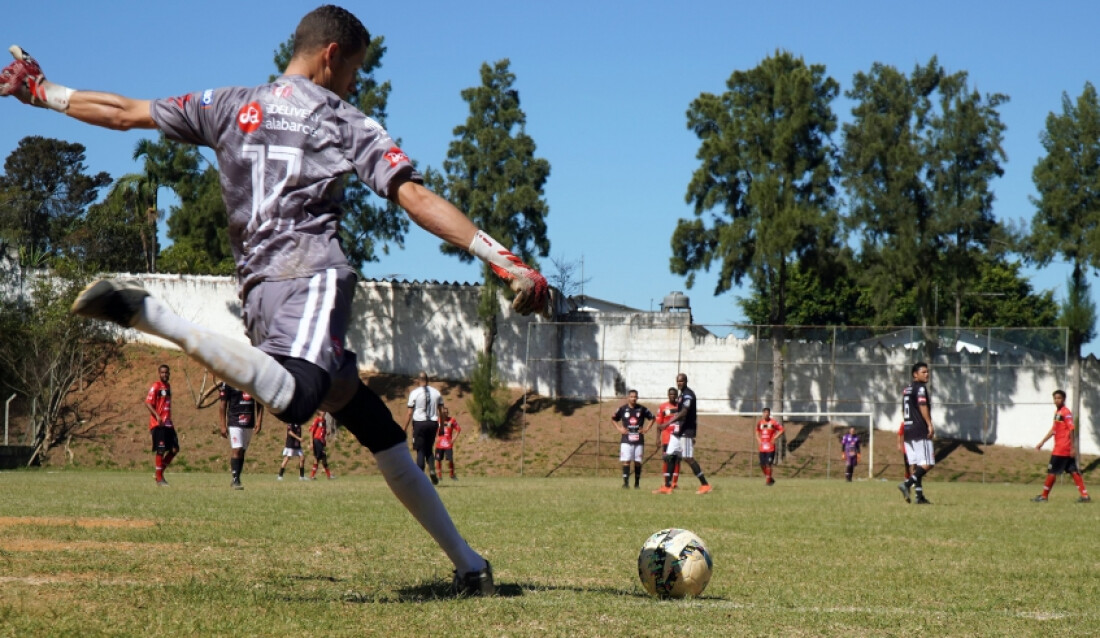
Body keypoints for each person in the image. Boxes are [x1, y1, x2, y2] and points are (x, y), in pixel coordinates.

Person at [3, 5, 556, 595]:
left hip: (260, 292)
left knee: (373, 424)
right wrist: (501, 257)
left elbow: (123, 113)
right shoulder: (345, 121)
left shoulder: (226, 104)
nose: (354, 84)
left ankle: (470, 565)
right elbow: (413, 198)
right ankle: (153, 315)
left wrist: (43, 92)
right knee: (297, 401)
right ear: (331, 56)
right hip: (312, 277)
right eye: (355, 71)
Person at [655, 373, 712, 495]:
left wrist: (667, 423)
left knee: (688, 458)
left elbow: (684, 412)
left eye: (681, 381)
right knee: (669, 455)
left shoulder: (688, 395)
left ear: (686, 381)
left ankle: (705, 484)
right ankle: (667, 486)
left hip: (686, 431)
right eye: (678, 381)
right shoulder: (681, 396)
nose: (679, 383)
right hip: (678, 431)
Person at [1032, 390, 1091, 503]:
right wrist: (1042, 442)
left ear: (1063, 399)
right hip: (1063, 448)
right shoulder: (1057, 413)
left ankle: (1044, 496)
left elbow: (1071, 428)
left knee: (1052, 471)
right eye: (1055, 398)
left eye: (1059, 398)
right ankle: (1085, 495)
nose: (1056, 400)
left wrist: (1073, 447)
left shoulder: (1066, 412)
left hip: (1062, 448)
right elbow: (1054, 430)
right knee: (1073, 471)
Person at [898, 362, 935, 505]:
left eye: (927, 372)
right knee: (928, 463)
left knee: (917, 465)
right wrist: (929, 424)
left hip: (908, 429)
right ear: (915, 374)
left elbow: (903, 409)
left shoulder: (906, 390)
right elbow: (922, 405)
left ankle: (919, 497)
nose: (927, 374)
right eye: (923, 372)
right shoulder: (920, 388)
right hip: (920, 429)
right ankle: (906, 485)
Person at [219, 381, 263, 490]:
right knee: (237, 449)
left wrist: (259, 421)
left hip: (249, 422)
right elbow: (222, 405)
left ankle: (237, 476)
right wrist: (223, 425)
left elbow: (260, 403)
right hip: (234, 421)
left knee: (242, 451)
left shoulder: (253, 382)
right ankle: (235, 479)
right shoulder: (228, 382)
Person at [404, 372, 444, 485]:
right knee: (428, 448)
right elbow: (441, 411)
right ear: (428, 380)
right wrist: (441, 427)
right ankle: (431, 470)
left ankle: (420, 478)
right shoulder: (436, 393)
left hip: (419, 424)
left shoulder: (415, 393)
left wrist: (404, 428)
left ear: (418, 380)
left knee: (420, 450)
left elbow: (409, 412)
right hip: (433, 423)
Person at [611, 389, 655, 489]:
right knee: (626, 461)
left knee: (638, 462)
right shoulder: (622, 409)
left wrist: (646, 429)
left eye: (635, 397)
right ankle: (626, 484)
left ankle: (637, 484)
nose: (633, 398)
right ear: (628, 397)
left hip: (638, 440)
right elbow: (613, 418)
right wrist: (619, 429)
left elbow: (653, 418)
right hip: (626, 440)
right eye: (631, 396)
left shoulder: (642, 409)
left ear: (637, 397)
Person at [144, 364, 177, 486]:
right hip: (158, 424)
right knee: (161, 449)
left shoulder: (168, 386)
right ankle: (159, 479)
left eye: (166, 372)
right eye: (162, 372)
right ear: (159, 374)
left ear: (169, 373)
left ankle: (158, 473)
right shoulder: (156, 386)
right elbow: (147, 402)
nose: (165, 374)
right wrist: (157, 416)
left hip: (168, 423)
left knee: (174, 449)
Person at [654, 387, 679, 489]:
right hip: (667, 437)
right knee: (667, 459)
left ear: (677, 395)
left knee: (677, 460)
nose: (672, 396)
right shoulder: (663, 407)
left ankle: (674, 483)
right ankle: (666, 482)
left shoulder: (680, 407)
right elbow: (659, 424)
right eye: (671, 394)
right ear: (668, 395)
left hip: (678, 437)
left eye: (674, 394)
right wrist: (657, 438)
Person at [755, 408, 784, 486]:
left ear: (769, 413)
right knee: (762, 464)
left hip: (770, 447)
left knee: (768, 464)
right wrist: (758, 440)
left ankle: (768, 482)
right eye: (764, 412)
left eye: (767, 413)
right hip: (762, 448)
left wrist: (775, 437)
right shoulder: (760, 423)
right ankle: (770, 478)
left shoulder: (773, 422)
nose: (766, 414)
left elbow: (781, 429)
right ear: (763, 413)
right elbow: (757, 432)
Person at [434, 406, 462, 481]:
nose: (445, 413)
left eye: (446, 412)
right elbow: (433, 429)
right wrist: (435, 438)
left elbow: (458, 429)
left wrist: (453, 439)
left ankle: (452, 475)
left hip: (448, 444)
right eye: (444, 412)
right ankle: (439, 476)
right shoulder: (437, 421)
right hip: (439, 444)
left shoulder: (452, 420)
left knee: (450, 459)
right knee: (438, 459)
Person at [309, 412, 334, 480]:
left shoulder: (324, 421)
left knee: (317, 459)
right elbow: (311, 431)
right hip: (317, 441)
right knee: (323, 456)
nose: (324, 412)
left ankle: (312, 476)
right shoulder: (317, 420)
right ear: (319, 412)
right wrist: (311, 443)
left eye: (324, 411)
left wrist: (327, 432)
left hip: (321, 442)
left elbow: (322, 430)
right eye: (322, 411)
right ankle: (329, 475)